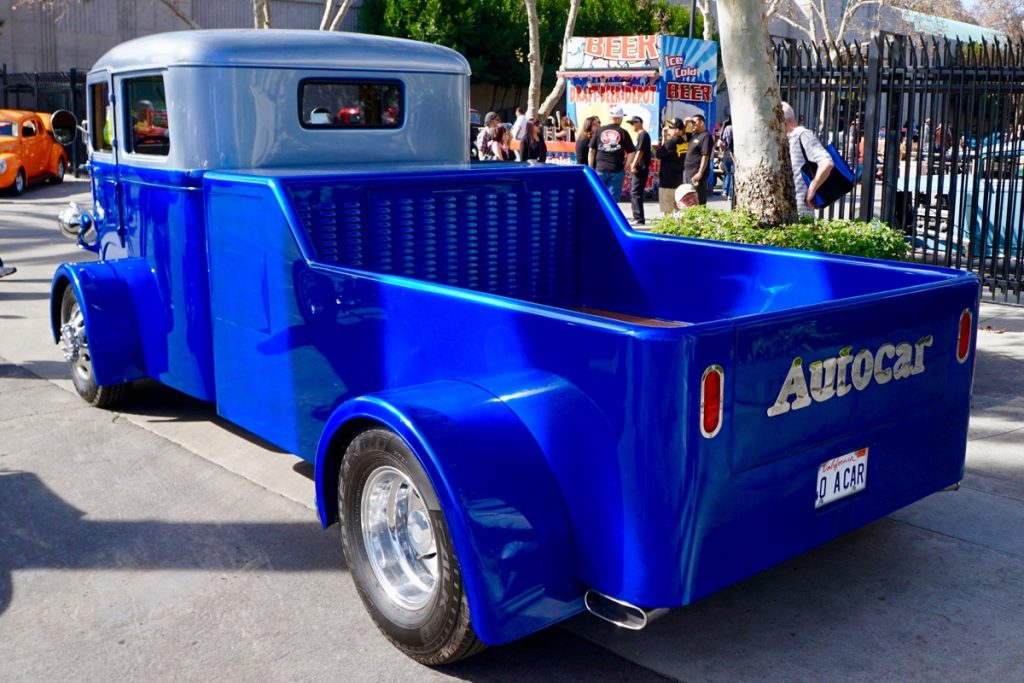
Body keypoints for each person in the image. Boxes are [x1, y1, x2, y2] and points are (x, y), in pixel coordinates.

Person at [782, 101, 833, 216]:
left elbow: (826, 163)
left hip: (800, 208)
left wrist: (812, 190)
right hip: (788, 207)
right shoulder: (787, 138)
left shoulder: (802, 134)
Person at [588, 105, 635, 200]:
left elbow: (591, 150)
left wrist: (591, 167)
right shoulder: (623, 132)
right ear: (619, 118)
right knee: (612, 200)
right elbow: (631, 152)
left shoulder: (599, 131)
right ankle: (608, 215)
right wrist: (626, 165)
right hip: (616, 170)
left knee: (598, 197)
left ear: (611, 117)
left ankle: (598, 214)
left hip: (600, 169)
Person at [655, 117, 687, 214]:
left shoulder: (670, 142)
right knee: (678, 210)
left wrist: (664, 138)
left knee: (667, 211)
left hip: (667, 181)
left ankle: (668, 229)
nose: (668, 129)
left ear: (678, 130)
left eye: (670, 127)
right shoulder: (684, 142)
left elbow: (659, 154)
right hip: (678, 180)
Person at [682, 114, 713, 205]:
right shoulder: (695, 135)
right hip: (688, 172)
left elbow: (705, 156)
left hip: (696, 173)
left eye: (694, 122)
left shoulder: (706, 136)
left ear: (701, 122)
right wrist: (686, 123)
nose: (692, 125)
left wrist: (700, 173)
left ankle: (701, 218)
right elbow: (682, 134)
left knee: (698, 198)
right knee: (689, 198)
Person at [627, 115, 652, 226]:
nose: (632, 126)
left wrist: (634, 165)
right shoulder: (641, 135)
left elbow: (640, 151)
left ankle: (639, 218)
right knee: (635, 192)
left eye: (633, 123)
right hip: (639, 168)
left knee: (635, 192)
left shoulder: (643, 135)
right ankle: (637, 217)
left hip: (640, 169)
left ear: (639, 123)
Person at [719, 116, 735, 200]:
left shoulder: (726, 128)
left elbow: (721, 143)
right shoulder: (735, 129)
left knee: (727, 173)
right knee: (731, 174)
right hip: (733, 155)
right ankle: (730, 194)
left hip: (725, 155)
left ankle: (725, 191)